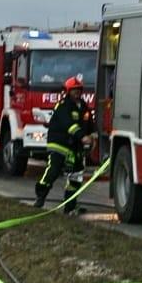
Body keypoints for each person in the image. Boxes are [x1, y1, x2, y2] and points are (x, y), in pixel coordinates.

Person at [34, 76, 94, 214]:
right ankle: (40, 197)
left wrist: (92, 136)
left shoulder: (83, 107)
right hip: (59, 144)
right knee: (53, 170)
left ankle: (70, 206)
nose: (77, 92)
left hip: (75, 148)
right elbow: (69, 125)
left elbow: (89, 124)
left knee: (76, 176)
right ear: (68, 91)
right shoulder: (62, 105)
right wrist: (82, 136)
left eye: (79, 90)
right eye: (74, 90)